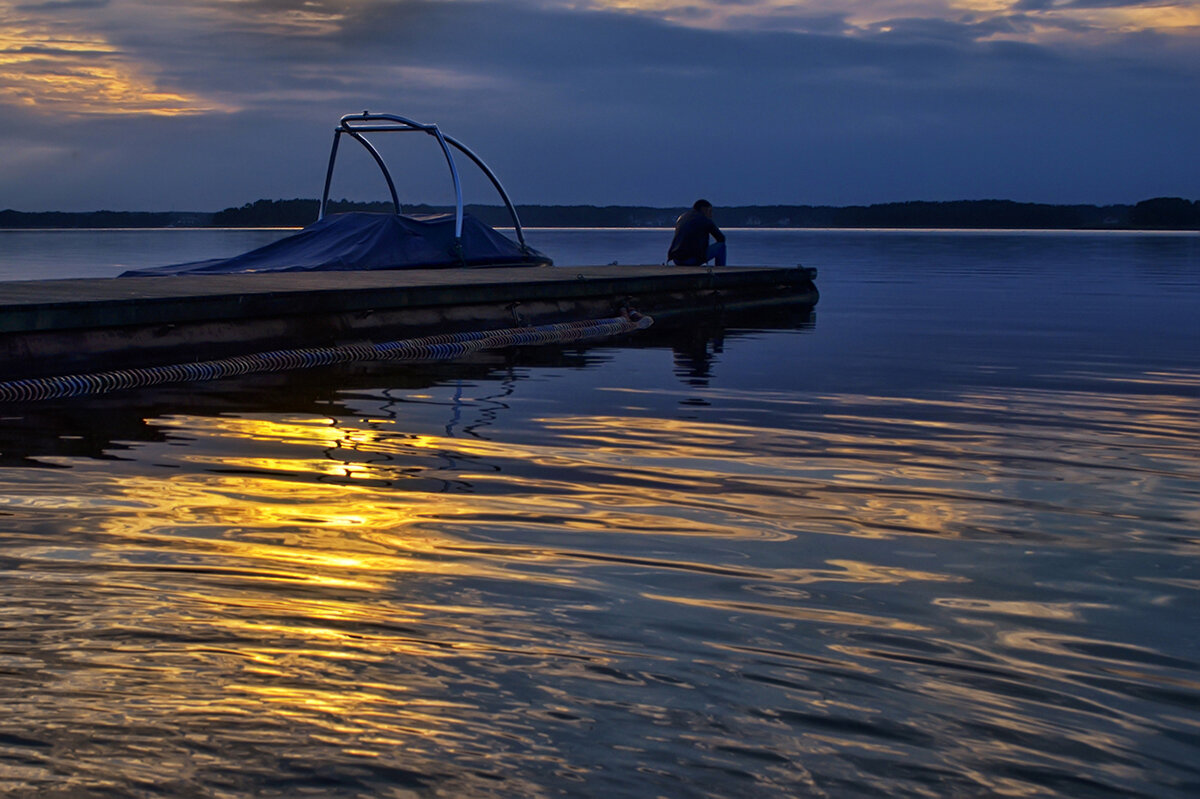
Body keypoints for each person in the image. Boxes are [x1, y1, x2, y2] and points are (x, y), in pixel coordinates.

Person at [668, 199, 726, 266]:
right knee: (721, 246)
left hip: (676, 259)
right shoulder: (705, 220)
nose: (711, 215)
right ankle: (720, 268)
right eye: (710, 211)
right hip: (692, 260)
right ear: (704, 209)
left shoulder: (682, 218)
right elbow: (721, 238)